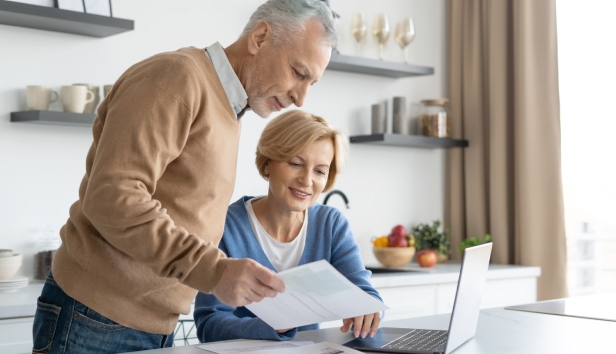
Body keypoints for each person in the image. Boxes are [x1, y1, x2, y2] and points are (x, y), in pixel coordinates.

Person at [32, 1, 338, 353]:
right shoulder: (176, 77)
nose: (301, 98)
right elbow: (113, 197)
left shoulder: (228, 108)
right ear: (260, 37)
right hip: (94, 317)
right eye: (299, 73)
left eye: (312, 82)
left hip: (148, 324)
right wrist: (214, 270)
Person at [193, 110, 383, 343]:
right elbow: (209, 324)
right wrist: (273, 326)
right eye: (295, 163)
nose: (307, 180)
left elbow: (365, 293)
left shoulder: (331, 225)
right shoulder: (225, 225)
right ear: (267, 164)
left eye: (320, 171)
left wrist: (369, 311)